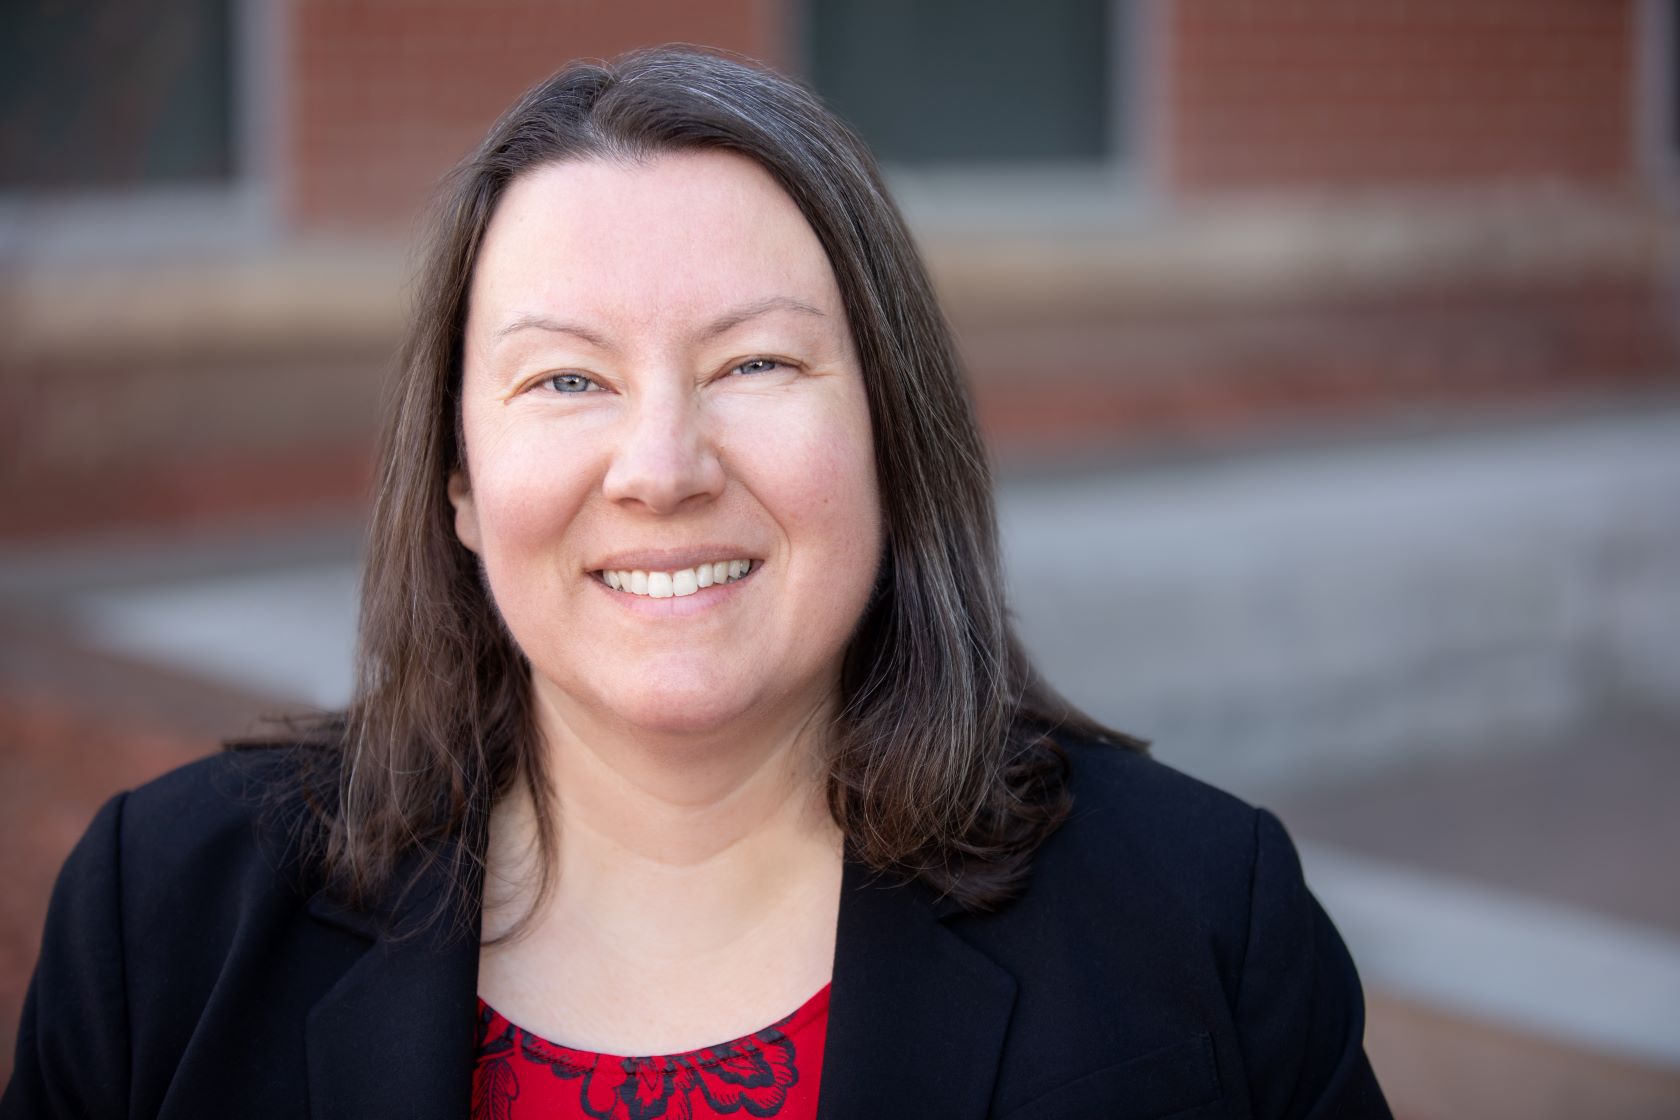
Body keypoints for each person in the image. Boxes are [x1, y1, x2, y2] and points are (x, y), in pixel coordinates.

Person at [2, 47, 1392, 1119]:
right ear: (463, 488)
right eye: (565, 379)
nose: (660, 467)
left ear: (893, 440)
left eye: (756, 365)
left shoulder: (1199, 923)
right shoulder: (165, 917)